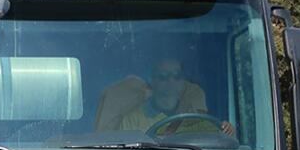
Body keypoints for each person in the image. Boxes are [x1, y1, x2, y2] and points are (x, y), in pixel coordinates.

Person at [95, 57, 234, 136]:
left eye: (176, 76)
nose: (171, 81)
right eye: (163, 77)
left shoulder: (194, 117)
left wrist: (227, 130)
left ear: (183, 81)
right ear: (152, 81)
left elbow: (221, 143)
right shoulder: (132, 119)